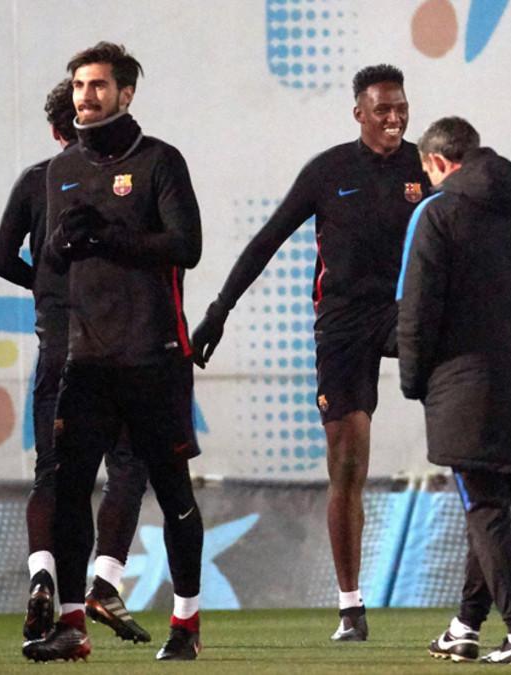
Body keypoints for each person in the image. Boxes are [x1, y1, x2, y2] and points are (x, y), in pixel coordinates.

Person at [190, 64, 429, 641]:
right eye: (382, 110)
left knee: (463, 388)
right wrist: (219, 311)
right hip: (343, 324)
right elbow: (266, 240)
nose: (393, 118)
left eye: (400, 108)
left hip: (406, 315)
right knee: (347, 461)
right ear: (358, 114)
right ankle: (351, 607)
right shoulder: (328, 171)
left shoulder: (425, 166)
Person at [21, 41, 205, 662]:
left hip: (154, 357)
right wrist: (63, 247)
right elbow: (49, 264)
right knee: (70, 490)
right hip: (87, 360)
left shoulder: (159, 162)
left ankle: (186, 623)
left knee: (174, 491)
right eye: (78, 85)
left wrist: (110, 235)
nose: (86, 96)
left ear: (125, 93)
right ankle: (71, 625)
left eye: (98, 85)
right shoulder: (60, 169)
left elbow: (187, 245)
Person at [397, 117, 511, 664]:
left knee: (483, 511)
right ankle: (465, 627)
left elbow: (416, 308)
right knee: (490, 502)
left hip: (462, 388)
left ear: (436, 163)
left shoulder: (436, 214)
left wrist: (414, 378)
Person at [0, 79, 149, 646]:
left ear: (54, 130)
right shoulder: (115, 177)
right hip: (118, 348)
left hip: (57, 349)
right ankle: (104, 580)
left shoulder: (37, 180)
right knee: (129, 464)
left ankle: (43, 577)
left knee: (54, 476)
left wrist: (44, 284)